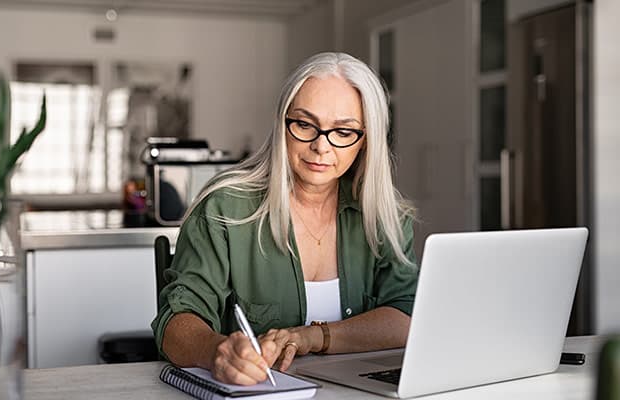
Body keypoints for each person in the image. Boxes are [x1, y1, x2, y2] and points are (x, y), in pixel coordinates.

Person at [151, 52, 419, 386]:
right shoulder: (224, 208)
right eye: (305, 125)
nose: (321, 147)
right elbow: (176, 322)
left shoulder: (385, 216)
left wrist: (312, 337)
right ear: (283, 124)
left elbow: (406, 317)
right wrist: (215, 351)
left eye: (343, 131)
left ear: (366, 141)